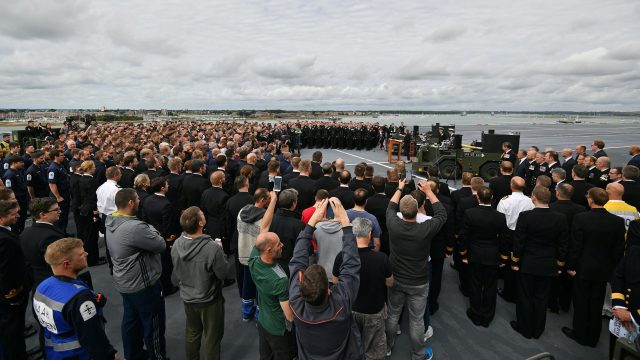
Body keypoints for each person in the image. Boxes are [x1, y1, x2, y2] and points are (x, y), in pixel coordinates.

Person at [289, 198, 363, 359]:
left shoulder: (296, 304)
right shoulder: (341, 304)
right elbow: (351, 266)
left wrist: (311, 223)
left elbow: (297, 259)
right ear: (329, 290)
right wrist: (345, 223)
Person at [385, 179, 446, 360]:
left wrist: (400, 187)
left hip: (396, 278)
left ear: (401, 212)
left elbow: (390, 206)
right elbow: (442, 214)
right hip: (418, 281)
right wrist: (428, 191)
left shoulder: (393, 223)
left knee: (393, 314)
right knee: (417, 320)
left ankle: (387, 346)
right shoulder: (424, 228)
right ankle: (418, 354)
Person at [105, 188, 167, 360]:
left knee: (131, 322)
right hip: (143, 285)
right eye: (138, 199)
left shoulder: (110, 220)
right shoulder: (135, 228)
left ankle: (134, 355)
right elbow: (160, 244)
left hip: (124, 282)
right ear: (131, 203)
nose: (140, 201)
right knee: (153, 326)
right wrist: (153, 230)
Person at [33, 238, 119, 360]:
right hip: (80, 354)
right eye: (81, 254)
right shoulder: (79, 298)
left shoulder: (41, 287)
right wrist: (110, 355)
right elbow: (92, 337)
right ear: (67, 264)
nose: (86, 254)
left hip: (53, 352)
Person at [563, 187, 626, 347]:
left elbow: (576, 246)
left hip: (583, 268)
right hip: (604, 270)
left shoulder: (581, 218)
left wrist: (571, 265)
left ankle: (579, 333)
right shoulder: (617, 222)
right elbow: (618, 249)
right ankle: (593, 337)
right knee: (596, 303)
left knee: (581, 302)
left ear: (591, 199)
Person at [510, 186, 568, 339]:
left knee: (525, 296)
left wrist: (515, 261)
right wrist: (560, 264)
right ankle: (537, 329)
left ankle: (525, 327)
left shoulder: (525, 216)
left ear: (534, 197)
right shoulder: (560, 218)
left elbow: (519, 242)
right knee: (542, 298)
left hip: (528, 263)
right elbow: (563, 244)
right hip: (548, 264)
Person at [332, 217, 393, 360]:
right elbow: (390, 283)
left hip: (350, 307)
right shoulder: (381, 258)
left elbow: (335, 282)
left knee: (352, 344)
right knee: (374, 349)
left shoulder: (342, 257)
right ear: (370, 234)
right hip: (374, 310)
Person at [171, 207, 228, 360]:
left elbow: (175, 274)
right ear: (201, 222)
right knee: (212, 338)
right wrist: (221, 253)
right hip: (210, 301)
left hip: (188, 299)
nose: (204, 214)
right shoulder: (212, 248)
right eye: (203, 214)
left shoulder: (176, 244)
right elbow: (222, 274)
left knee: (192, 332)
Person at [459, 186, 509, 327]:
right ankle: (487, 316)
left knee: (475, 285)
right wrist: (504, 257)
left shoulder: (470, 213)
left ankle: (476, 314)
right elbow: (504, 239)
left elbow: (464, 236)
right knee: (490, 286)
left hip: (475, 253)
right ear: (492, 198)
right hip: (493, 255)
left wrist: (463, 253)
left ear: (477, 198)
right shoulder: (500, 216)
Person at [249, 209, 296, 360]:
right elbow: (289, 315)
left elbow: (264, 228)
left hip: (263, 322)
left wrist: (273, 200)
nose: (282, 245)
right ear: (269, 250)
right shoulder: (280, 280)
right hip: (278, 330)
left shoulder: (254, 260)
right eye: (278, 244)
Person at [236, 188, 276, 321]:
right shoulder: (264, 217)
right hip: (258, 257)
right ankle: (260, 315)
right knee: (260, 286)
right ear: (264, 200)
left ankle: (246, 313)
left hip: (243, 254)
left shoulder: (241, 212)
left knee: (247, 285)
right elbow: (265, 233)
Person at [548, 183, 587, 313]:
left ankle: (552, 303)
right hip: (573, 249)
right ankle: (565, 304)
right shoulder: (581, 210)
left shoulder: (551, 207)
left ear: (558, 193)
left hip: (554, 247)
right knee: (568, 281)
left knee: (553, 278)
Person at [0, 200, 30, 360]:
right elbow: (5, 272)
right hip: (10, 296)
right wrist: (13, 296)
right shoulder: (4, 239)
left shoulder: (6, 232)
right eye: (13, 214)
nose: (18, 216)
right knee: (12, 329)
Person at [142, 177, 181, 296]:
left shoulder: (147, 200)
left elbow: (145, 219)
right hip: (164, 239)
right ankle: (167, 288)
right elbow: (168, 225)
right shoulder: (166, 204)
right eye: (167, 185)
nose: (168, 186)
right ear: (163, 188)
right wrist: (167, 237)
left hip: (150, 235)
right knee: (166, 264)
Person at [609, 244, 640, 358]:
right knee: (615, 354)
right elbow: (618, 276)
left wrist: (632, 316)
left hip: (635, 321)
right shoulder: (634, 250)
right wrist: (619, 306)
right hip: (620, 317)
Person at [268, 188, 306, 276]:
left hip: (270, 264)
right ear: (293, 204)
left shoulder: (269, 219)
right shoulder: (299, 225)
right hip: (291, 268)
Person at [48, 150, 72, 233]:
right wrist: (58, 196)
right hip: (60, 194)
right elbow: (52, 184)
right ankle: (59, 234)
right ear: (55, 157)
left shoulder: (60, 165)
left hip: (65, 192)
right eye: (61, 155)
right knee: (60, 217)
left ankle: (64, 232)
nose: (63, 156)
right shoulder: (53, 168)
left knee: (64, 216)